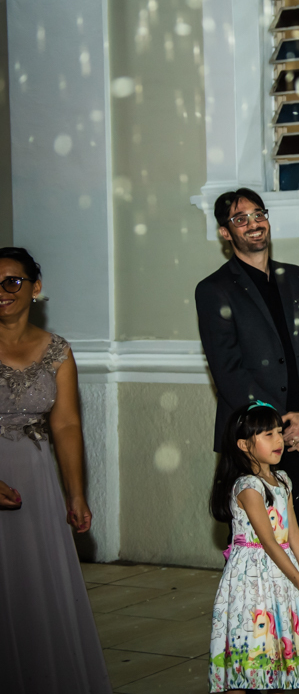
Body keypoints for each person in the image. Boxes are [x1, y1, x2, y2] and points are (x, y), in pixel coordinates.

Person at [0, 247, 111, 694]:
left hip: (36, 482)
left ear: (36, 287)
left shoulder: (58, 351)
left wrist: (76, 493)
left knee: (36, 593)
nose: (3, 292)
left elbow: (65, 423)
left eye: (13, 281)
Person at [196, 188, 299, 532]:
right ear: (225, 233)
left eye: (259, 214)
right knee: (254, 545)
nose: (253, 224)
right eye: (240, 219)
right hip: (251, 439)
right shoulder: (214, 290)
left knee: (293, 534)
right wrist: (280, 428)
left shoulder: (298, 278)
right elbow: (228, 372)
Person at [208, 402, 299, 692]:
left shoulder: (282, 480)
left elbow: (294, 537)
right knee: (253, 639)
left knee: (277, 639)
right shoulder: (248, 487)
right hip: (253, 575)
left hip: (282, 573)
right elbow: (268, 542)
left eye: (279, 432)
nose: (278, 440)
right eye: (267, 435)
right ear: (243, 445)